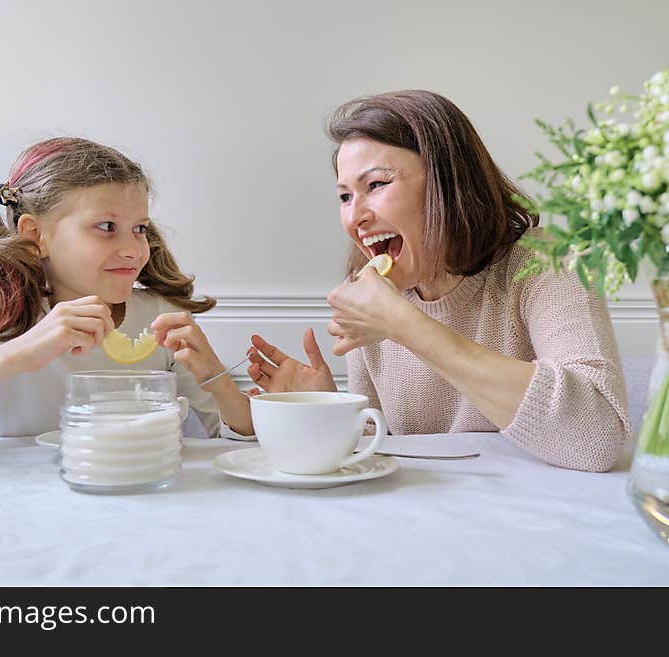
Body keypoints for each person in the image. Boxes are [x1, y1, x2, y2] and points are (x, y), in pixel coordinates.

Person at [246, 90, 630, 473]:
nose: (354, 217)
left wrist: (404, 326)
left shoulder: (547, 262)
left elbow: (598, 439)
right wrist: (325, 409)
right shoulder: (369, 292)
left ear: (448, 183)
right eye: (345, 196)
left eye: (376, 185)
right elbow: (384, 456)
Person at [0, 137, 253, 458]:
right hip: (24, 510)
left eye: (140, 228)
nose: (133, 249)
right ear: (36, 236)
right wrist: (16, 353)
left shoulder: (161, 316)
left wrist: (215, 376)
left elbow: (222, 442)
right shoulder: (3, 321)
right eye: (106, 226)